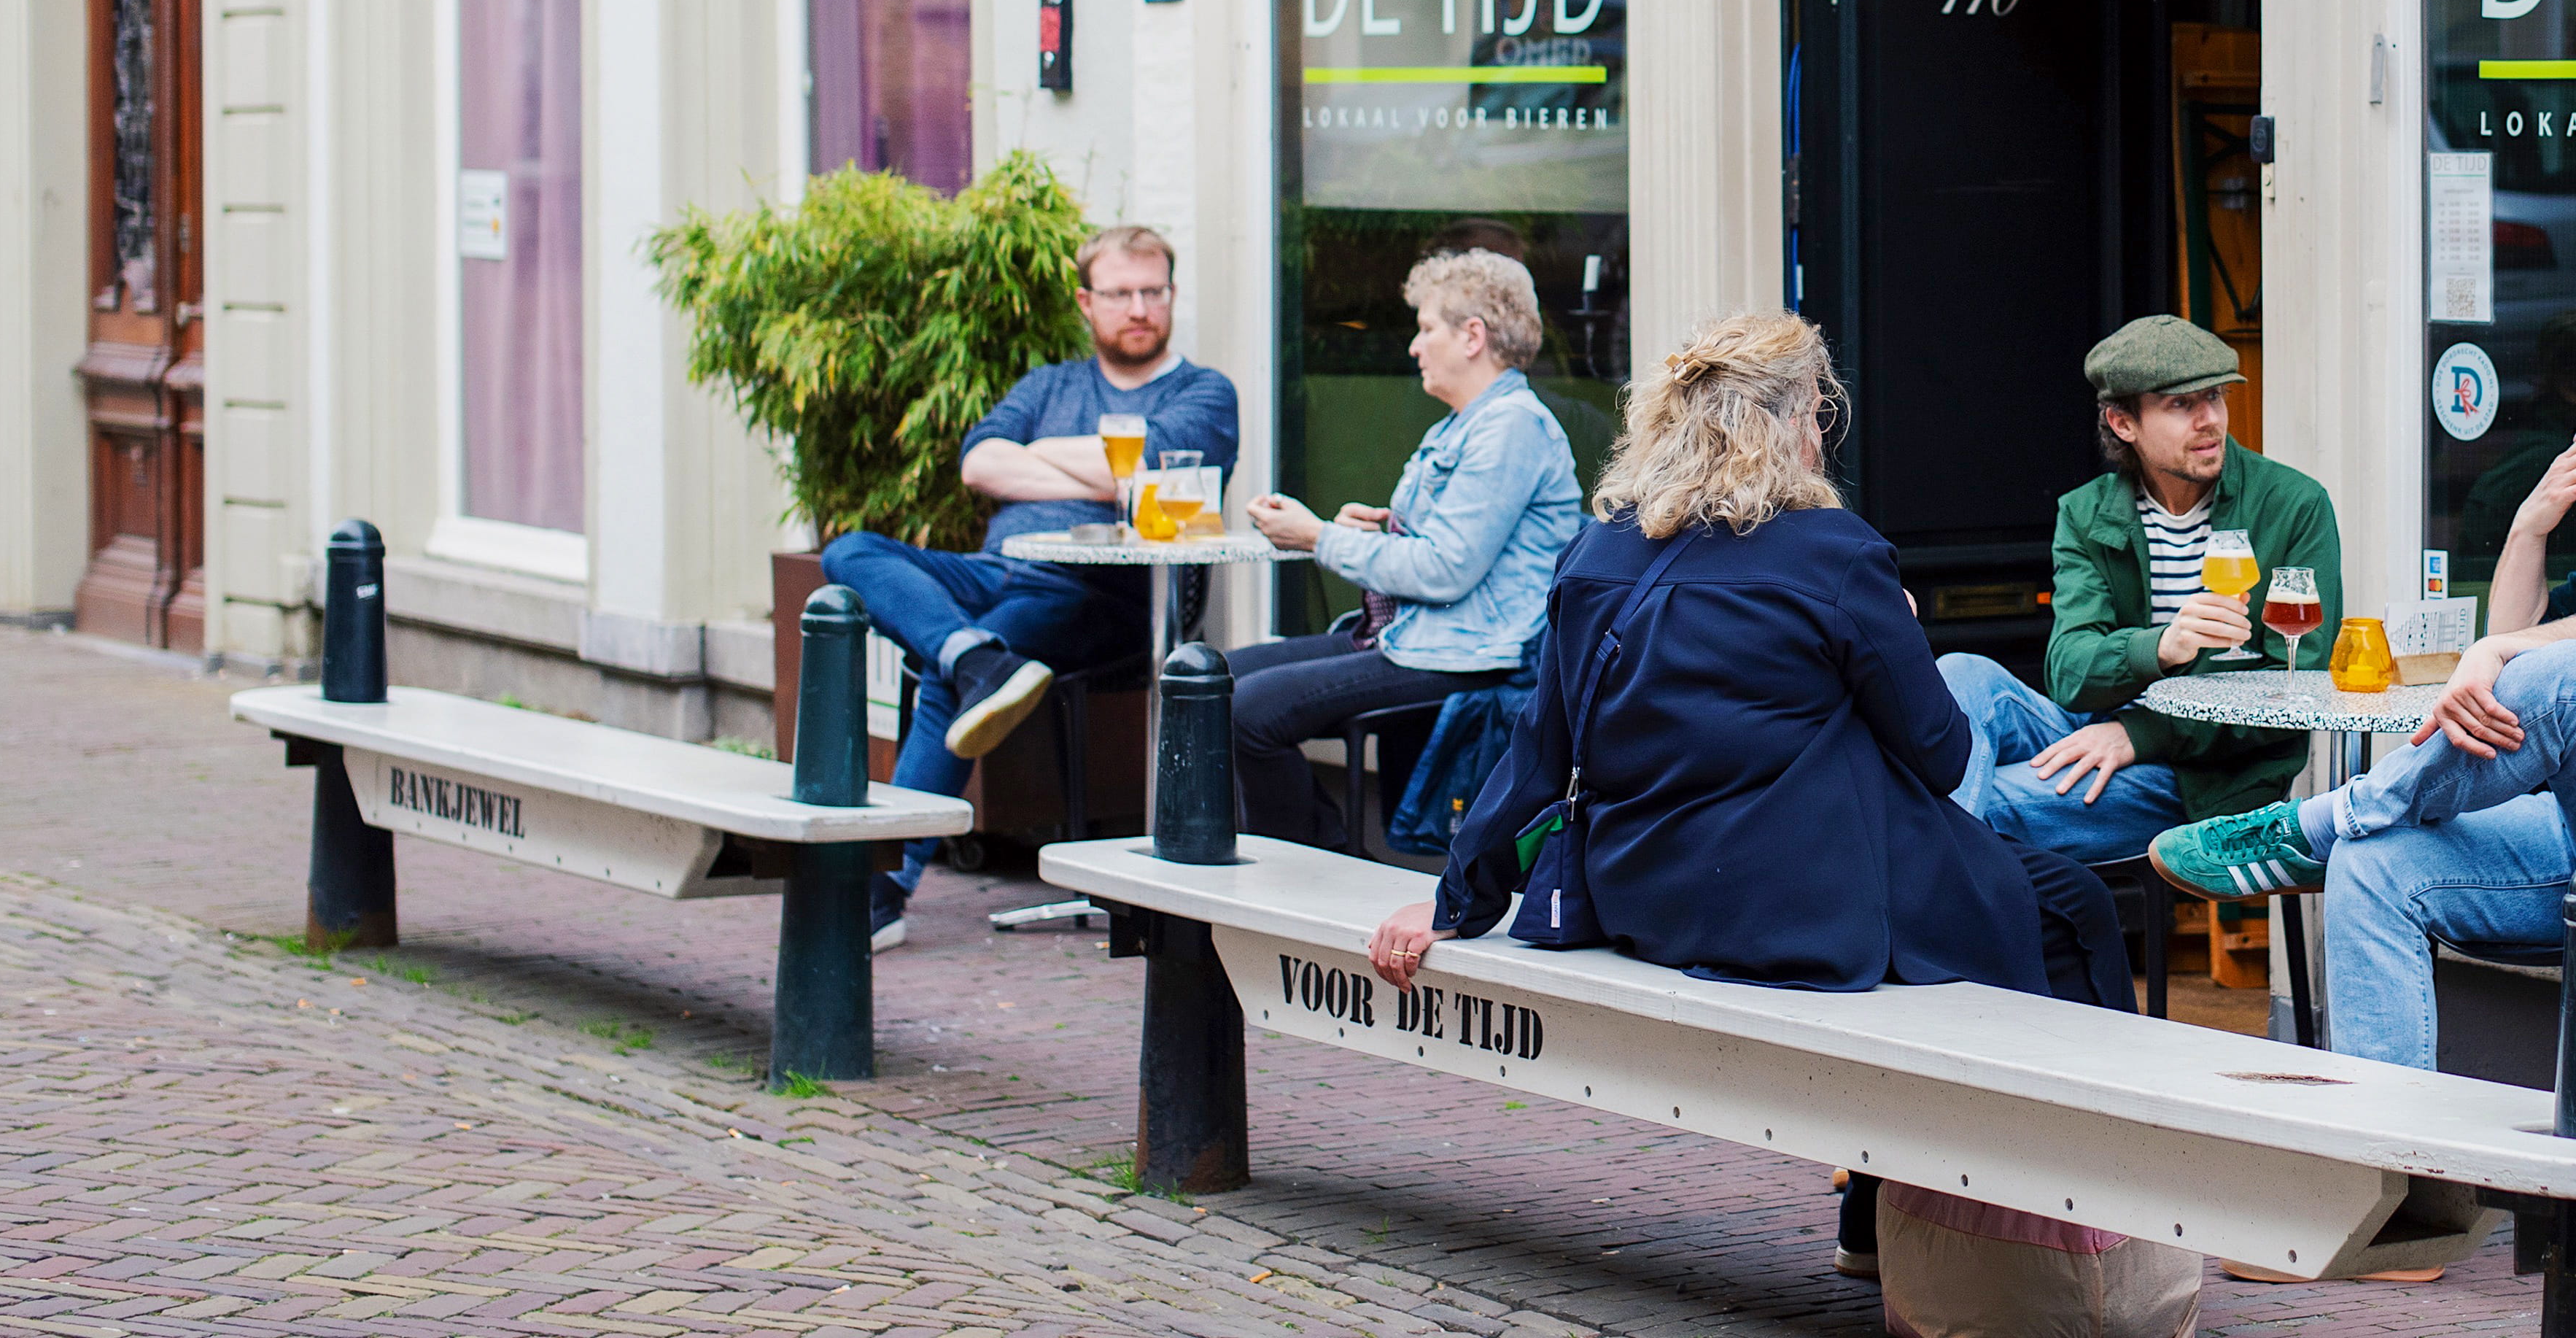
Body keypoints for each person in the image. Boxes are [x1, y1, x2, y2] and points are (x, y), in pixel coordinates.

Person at [1365, 313, 2128, 1272]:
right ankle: (2105, 1216)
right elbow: (1939, 755)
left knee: (1948, 899)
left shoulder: (1599, 555)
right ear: (1793, 423)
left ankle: (1878, 1224)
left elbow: (1536, 749)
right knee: (2072, 906)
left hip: (1644, 894)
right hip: (1791, 903)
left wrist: (1454, 902)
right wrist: (1897, 634)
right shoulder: (1833, 555)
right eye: (1817, 414)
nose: (1822, 437)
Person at [2147, 311, 2576, 1072]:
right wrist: (2530, 524)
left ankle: (2325, 818)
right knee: (2369, 862)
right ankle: (2392, 1168)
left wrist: (2497, 650)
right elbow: (2523, 651)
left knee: (2567, 672)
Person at [820, 225, 1241, 949]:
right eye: (1119, 293)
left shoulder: (1205, 391)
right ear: (1086, 301)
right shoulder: (1049, 385)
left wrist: (1046, 455)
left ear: (1170, 297)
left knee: (945, 677)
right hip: (997, 572)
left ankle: (882, 889)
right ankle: (974, 654)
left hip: (1097, 595)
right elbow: (981, 464)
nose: (1138, 307)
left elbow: (1159, 473)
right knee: (851, 550)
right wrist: (1110, 470)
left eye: (1152, 291)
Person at [1935, 314, 2338, 865]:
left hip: (2203, 778)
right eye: (2180, 405)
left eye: (2215, 397)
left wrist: (2141, 733)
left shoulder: (2293, 505)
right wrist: (2161, 648)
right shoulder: (2086, 512)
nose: (2210, 420)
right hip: (2096, 726)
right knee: (1960, 672)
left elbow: (2298, 688)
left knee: (1967, 805)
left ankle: (1905, 919)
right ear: (2123, 423)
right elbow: (2070, 674)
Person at [1221, 247, 1584, 851]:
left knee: (1250, 709)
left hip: (1469, 653)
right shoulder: (1461, 424)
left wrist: (1318, 538)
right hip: (1419, 636)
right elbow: (1447, 547)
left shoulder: (1511, 427)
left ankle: (1322, 877)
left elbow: (1444, 571)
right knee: (1217, 676)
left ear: (1473, 336)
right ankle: (1279, 866)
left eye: (1425, 329)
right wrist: (1376, 530)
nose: (1414, 347)